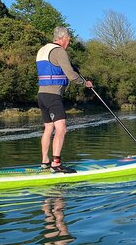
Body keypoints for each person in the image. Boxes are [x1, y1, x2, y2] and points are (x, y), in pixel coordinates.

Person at [36, 26, 93, 173]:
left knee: (49, 128)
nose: (69, 43)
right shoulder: (59, 51)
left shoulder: (42, 50)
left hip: (41, 95)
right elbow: (71, 75)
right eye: (68, 40)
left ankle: (45, 161)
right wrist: (85, 83)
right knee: (61, 129)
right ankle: (56, 164)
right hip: (53, 96)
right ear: (62, 38)